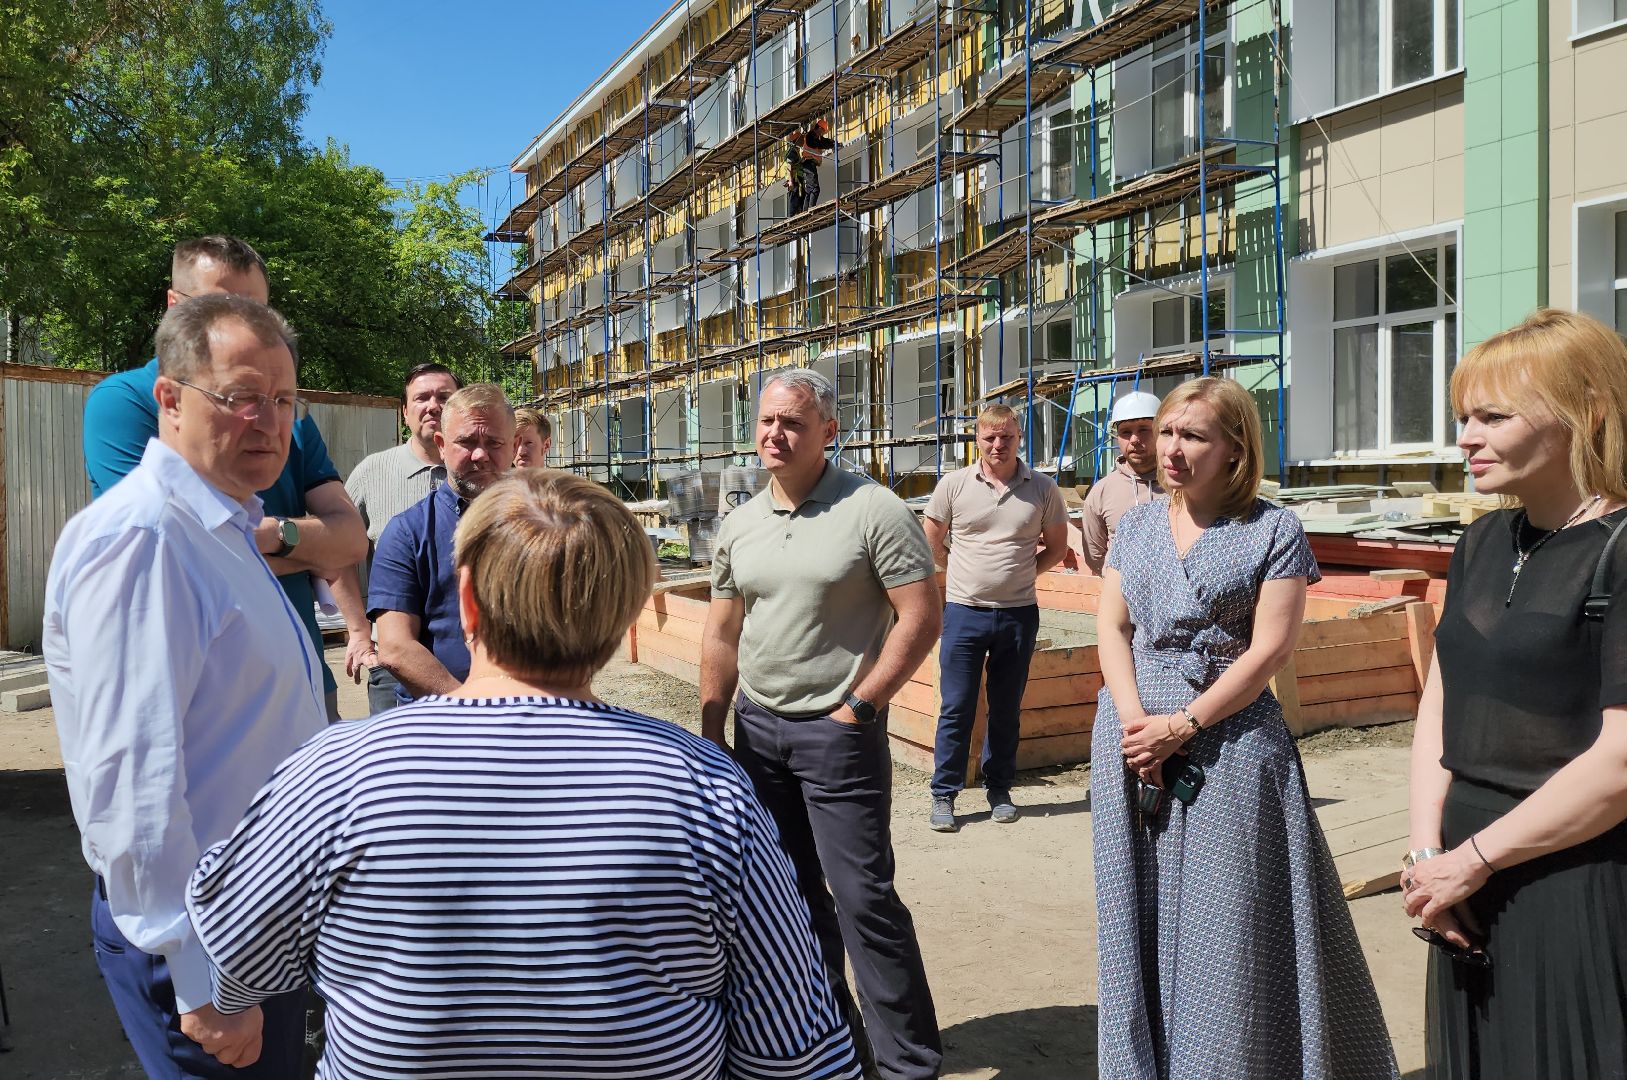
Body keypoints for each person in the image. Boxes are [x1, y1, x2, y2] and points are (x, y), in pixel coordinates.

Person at [185, 470, 863, 1078]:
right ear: (625, 613)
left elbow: (236, 950)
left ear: (470, 601)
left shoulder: (338, 773)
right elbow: (791, 1046)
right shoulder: (704, 788)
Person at [44, 295, 325, 1078]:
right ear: (168, 399)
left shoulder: (222, 525)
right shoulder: (147, 538)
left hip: (251, 924)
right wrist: (201, 983)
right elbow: (133, 786)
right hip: (203, 944)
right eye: (239, 398)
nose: (268, 423)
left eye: (282, 400)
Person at [1091, 376, 1396, 1077]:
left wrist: (1182, 724)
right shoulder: (1132, 523)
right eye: (1167, 432)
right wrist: (1137, 722)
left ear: (1234, 449)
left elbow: (1269, 650)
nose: (1171, 449)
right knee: (1132, 912)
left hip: (1226, 742)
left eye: (1192, 436)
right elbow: (1111, 626)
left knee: (1228, 923)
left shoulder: (1273, 528)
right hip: (1130, 736)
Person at [1402, 309, 1627, 1078]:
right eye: (1463, 416)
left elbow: (1620, 763)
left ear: (1585, 412)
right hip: (1460, 886)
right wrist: (1428, 854)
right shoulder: (1478, 541)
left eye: (1492, 417)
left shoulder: (1621, 552)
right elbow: (1441, 697)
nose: (1464, 437)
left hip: (1572, 878)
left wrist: (1473, 859)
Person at [700, 368, 943, 1080]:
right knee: (793, 898)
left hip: (835, 735)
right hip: (758, 735)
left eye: (793, 424)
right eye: (767, 422)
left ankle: (908, 1065)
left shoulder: (872, 510)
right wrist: (713, 733)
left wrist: (858, 707)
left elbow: (920, 615)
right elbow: (720, 633)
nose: (774, 435)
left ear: (828, 433)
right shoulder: (740, 521)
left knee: (864, 900)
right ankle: (839, 1046)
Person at [81, 235, 369, 722]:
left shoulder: (287, 415)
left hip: (302, 682)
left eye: (257, 310)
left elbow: (349, 541)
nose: (244, 327)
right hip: (199, 694)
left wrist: (275, 535)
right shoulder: (126, 402)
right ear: (175, 307)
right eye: (221, 306)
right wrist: (305, 551)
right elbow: (168, 559)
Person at [922, 403, 1070, 832]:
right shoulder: (953, 485)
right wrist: (962, 574)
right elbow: (931, 540)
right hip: (964, 614)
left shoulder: (1042, 488)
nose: (998, 444)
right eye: (989, 437)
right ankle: (944, 793)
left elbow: (1057, 549)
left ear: (1019, 438)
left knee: (1006, 708)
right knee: (957, 707)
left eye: (1006, 436)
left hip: (1018, 616)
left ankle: (999, 788)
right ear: (977, 440)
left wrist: (1024, 574)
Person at [369, 382, 514, 705]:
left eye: (493, 442)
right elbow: (396, 648)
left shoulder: (545, 523)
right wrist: (469, 710)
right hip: (440, 726)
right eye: (466, 442)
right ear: (441, 444)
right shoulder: (408, 532)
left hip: (533, 718)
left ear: (514, 445)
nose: (480, 455)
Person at [344, 362, 463, 713]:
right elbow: (336, 551)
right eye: (421, 398)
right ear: (405, 412)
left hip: (473, 661)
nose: (433, 405)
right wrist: (357, 630)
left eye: (444, 396)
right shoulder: (372, 472)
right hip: (391, 665)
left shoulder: (482, 472)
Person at [1078, 389, 1162, 575]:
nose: (1134, 440)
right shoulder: (1102, 491)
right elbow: (1095, 556)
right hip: (1121, 600)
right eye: (1125, 432)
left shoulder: (1183, 485)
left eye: (1144, 430)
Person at [786, 117, 835, 215]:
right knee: (814, 189)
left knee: (809, 190)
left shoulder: (815, 137)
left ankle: (805, 211)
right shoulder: (811, 137)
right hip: (808, 165)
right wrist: (790, 180)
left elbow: (823, 141)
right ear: (820, 128)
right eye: (823, 131)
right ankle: (809, 210)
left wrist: (833, 143)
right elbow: (789, 165)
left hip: (806, 169)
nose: (802, 141)